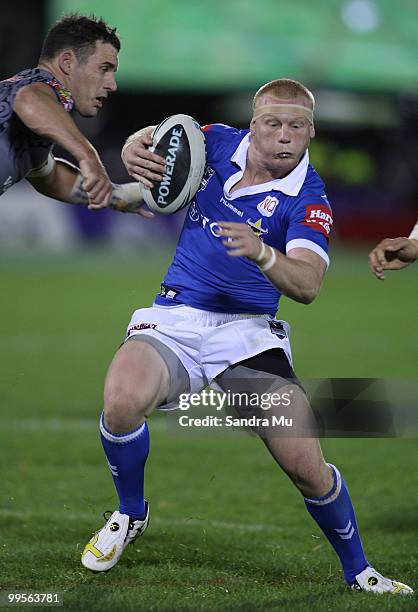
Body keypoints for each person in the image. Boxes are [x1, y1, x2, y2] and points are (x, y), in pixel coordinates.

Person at [81, 78, 413, 595]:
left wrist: (262, 252)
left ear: (311, 132)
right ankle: (130, 514)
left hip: (247, 336)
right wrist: (131, 151)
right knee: (121, 399)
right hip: (175, 316)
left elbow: (307, 284)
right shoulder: (213, 140)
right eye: (274, 124)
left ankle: (359, 572)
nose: (284, 136)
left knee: (306, 465)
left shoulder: (308, 198)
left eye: (297, 127)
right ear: (253, 124)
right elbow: (163, 142)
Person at [0, 13, 151, 217]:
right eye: (104, 68)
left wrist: (118, 195)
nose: (112, 85)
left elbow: (52, 178)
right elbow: (29, 100)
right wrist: (88, 156)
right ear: (68, 63)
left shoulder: (27, 107)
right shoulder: (44, 88)